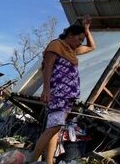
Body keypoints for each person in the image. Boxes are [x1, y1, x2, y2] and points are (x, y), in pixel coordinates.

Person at [31, 15, 96, 164]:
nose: (80, 42)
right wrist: (46, 90)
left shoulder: (72, 51)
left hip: (68, 95)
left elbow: (92, 47)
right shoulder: (56, 45)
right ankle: (32, 160)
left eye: (81, 40)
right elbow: (47, 68)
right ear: (69, 35)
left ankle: (49, 162)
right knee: (54, 127)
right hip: (57, 92)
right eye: (79, 39)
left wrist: (86, 30)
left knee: (55, 128)